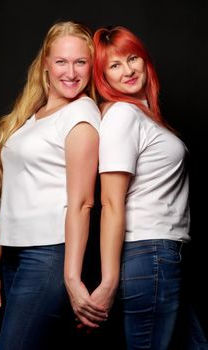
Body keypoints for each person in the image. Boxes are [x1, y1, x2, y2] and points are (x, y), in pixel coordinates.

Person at [0, 20, 107, 350]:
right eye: (62, 61)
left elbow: (82, 203)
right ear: (45, 63)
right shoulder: (34, 117)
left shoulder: (81, 115)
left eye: (81, 62)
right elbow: (17, 197)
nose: (71, 72)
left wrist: (71, 278)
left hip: (49, 257)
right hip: (14, 257)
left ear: (91, 66)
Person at [89, 25, 208, 349]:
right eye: (114, 66)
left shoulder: (145, 116)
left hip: (166, 255)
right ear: (104, 77)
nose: (127, 70)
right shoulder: (123, 115)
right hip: (149, 253)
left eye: (132, 58)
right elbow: (111, 202)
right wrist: (109, 281)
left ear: (144, 60)